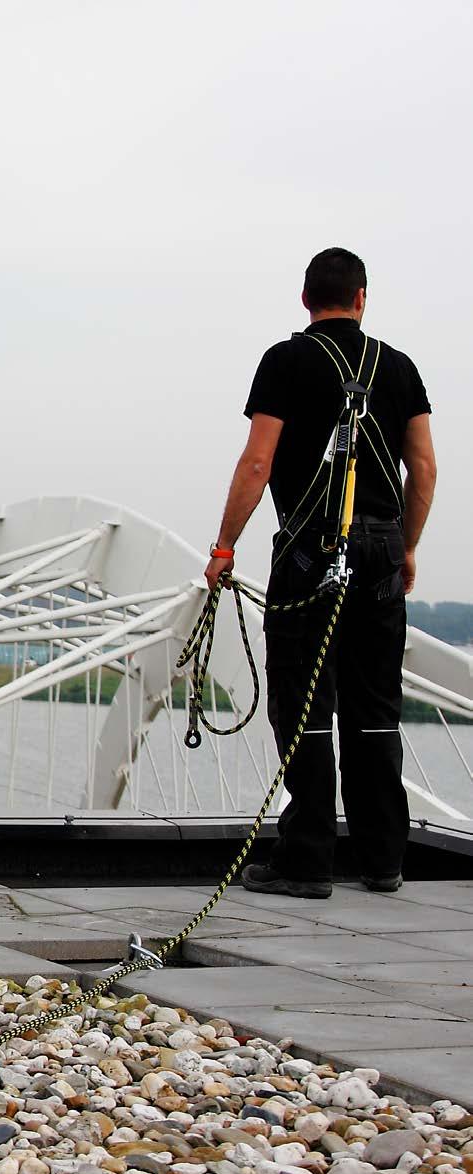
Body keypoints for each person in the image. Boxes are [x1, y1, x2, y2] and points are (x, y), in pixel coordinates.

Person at [205, 248, 437, 899]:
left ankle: (305, 860)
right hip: (381, 556)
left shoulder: (284, 361)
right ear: (360, 298)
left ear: (306, 300)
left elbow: (257, 464)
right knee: (375, 708)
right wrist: (407, 546)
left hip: (308, 554)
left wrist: (224, 546)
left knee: (302, 703)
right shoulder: (398, 368)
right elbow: (422, 465)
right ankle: (382, 858)